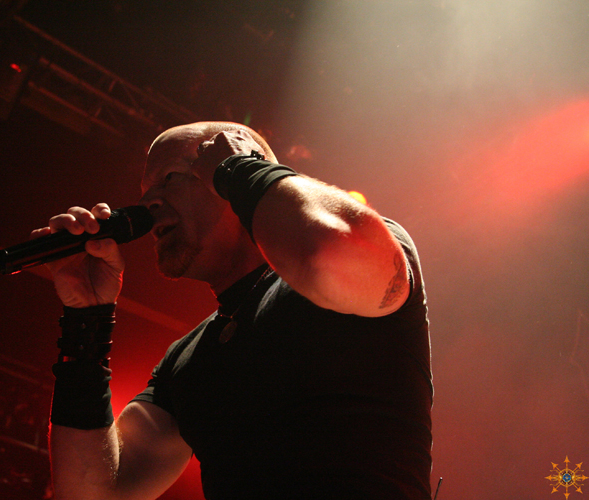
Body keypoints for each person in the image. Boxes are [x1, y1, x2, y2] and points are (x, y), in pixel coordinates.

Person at [33, 122, 433, 499]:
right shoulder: (186, 360)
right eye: (145, 190)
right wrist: (87, 318)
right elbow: (94, 492)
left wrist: (241, 169)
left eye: (170, 177)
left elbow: (329, 257)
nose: (147, 202)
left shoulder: (373, 246)